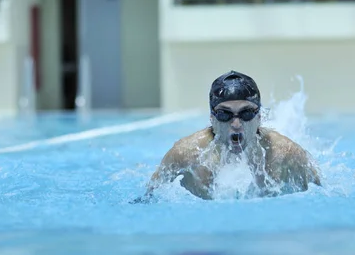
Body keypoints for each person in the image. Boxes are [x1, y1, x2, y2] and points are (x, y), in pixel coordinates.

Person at [135, 70, 320, 202]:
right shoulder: (185, 155)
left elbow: (323, 193)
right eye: (225, 114)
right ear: (212, 118)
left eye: (246, 113)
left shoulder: (286, 154)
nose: (236, 124)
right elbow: (147, 199)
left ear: (259, 117)